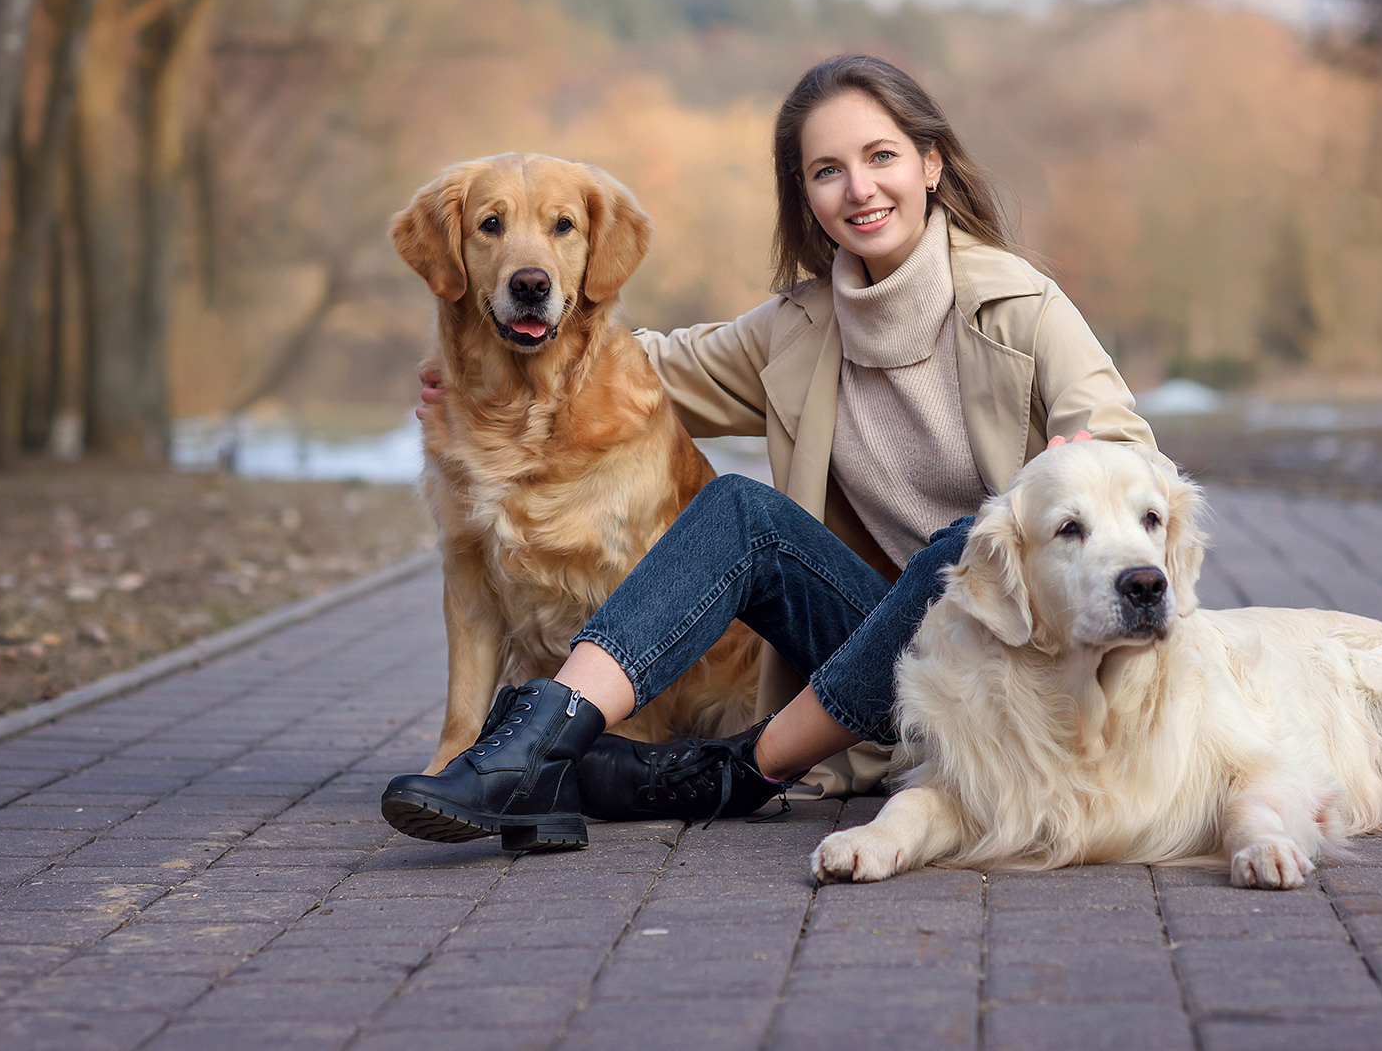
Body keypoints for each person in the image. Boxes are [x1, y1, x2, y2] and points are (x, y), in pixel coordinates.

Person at [381, 54, 1168, 849]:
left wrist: (1081, 460)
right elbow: (639, 360)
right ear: (807, 197)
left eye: (881, 157)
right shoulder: (796, 328)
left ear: (930, 164)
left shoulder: (1022, 307)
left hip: (1015, 647)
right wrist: (487, 374)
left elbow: (1129, 451)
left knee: (964, 549)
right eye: (828, 170)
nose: (858, 188)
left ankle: (742, 767)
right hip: (876, 658)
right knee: (739, 509)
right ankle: (536, 745)